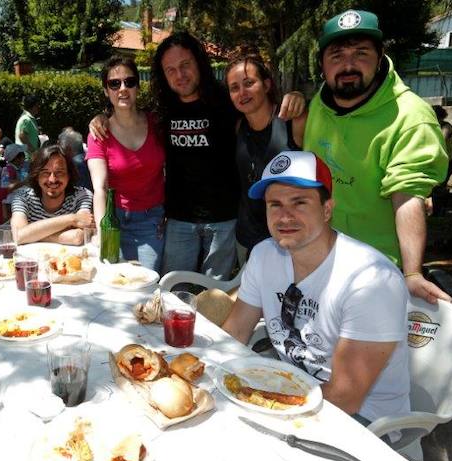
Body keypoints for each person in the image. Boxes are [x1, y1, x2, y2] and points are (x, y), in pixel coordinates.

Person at [90, 32, 304, 279]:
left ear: (199, 62)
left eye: (185, 65)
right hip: (179, 220)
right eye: (170, 70)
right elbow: (127, 116)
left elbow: (261, 115)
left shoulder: (227, 101)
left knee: (214, 296)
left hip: (224, 219)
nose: (179, 75)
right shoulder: (161, 110)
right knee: (172, 290)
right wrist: (100, 118)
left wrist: (297, 97)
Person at [222, 151, 409, 426]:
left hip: (362, 423)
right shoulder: (264, 255)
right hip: (292, 392)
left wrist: (264, 405)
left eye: (299, 203)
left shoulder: (371, 280)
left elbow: (345, 397)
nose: (285, 216)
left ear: (327, 209)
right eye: (275, 204)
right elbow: (235, 332)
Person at [303, 9, 450, 304]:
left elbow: (407, 195)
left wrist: (411, 274)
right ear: (322, 65)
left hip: (375, 270)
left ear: (380, 56)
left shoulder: (410, 116)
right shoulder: (321, 102)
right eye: (337, 56)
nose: (348, 66)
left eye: (361, 54)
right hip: (319, 258)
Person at [86, 56, 166, 271]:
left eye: (129, 82)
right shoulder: (98, 133)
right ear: (106, 91)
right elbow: (100, 188)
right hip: (115, 221)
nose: (123, 88)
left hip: (151, 221)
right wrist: (103, 233)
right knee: (116, 283)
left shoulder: (157, 124)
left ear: (138, 87)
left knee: (146, 283)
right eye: (114, 83)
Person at [225, 54, 307, 259]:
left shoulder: (292, 121)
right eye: (234, 88)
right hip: (247, 238)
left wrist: (300, 96)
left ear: (267, 84)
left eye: (249, 83)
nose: (242, 93)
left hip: (289, 238)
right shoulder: (238, 127)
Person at [10, 144, 94, 245]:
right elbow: (18, 236)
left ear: (69, 175)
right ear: (37, 176)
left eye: (59, 172)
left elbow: (77, 237)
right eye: (45, 173)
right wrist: (72, 218)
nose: (52, 179)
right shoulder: (22, 196)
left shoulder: (82, 195)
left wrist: (32, 234)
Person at [15, 94, 41, 158]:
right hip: (25, 158)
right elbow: (22, 136)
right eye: (37, 105)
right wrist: (33, 151)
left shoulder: (30, 119)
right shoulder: (26, 119)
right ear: (31, 106)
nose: (38, 107)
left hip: (28, 157)